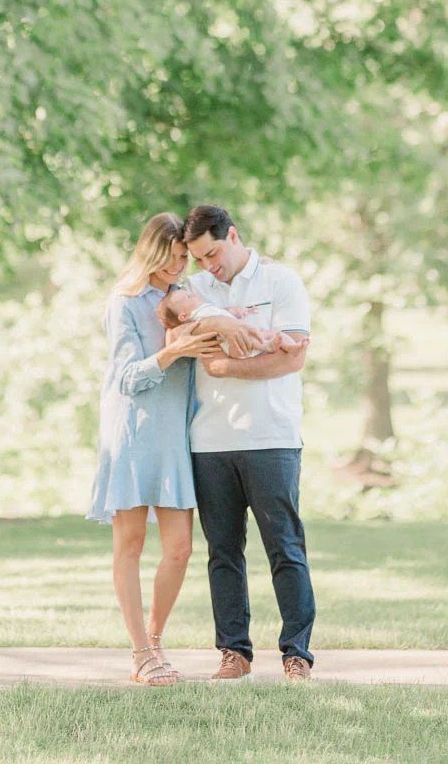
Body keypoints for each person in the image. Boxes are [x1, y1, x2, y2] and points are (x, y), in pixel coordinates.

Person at [86, 212, 254, 685]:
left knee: (179, 548)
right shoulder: (125, 302)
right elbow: (125, 379)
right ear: (155, 253)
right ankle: (140, 653)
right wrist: (172, 352)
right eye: (177, 258)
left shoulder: (185, 298)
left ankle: (155, 642)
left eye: (187, 258)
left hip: (175, 436)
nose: (183, 266)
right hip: (133, 433)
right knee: (131, 544)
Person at [182, 203, 316, 683]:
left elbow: (292, 358)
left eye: (213, 254)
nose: (208, 266)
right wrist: (247, 340)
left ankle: (296, 654)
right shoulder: (195, 288)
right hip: (210, 441)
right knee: (222, 551)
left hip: (271, 437)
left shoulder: (281, 282)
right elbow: (175, 329)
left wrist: (223, 365)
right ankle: (233, 653)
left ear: (233, 236)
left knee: (285, 547)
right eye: (199, 258)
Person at [157, 289, 305, 356]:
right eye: (188, 297)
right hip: (230, 346)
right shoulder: (197, 318)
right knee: (256, 337)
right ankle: (266, 346)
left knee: (272, 333)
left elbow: (222, 313)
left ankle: (292, 346)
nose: (193, 294)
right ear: (183, 316)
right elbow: (175, 336)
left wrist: (237, 312)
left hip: (241, 336)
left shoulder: (206, 309)